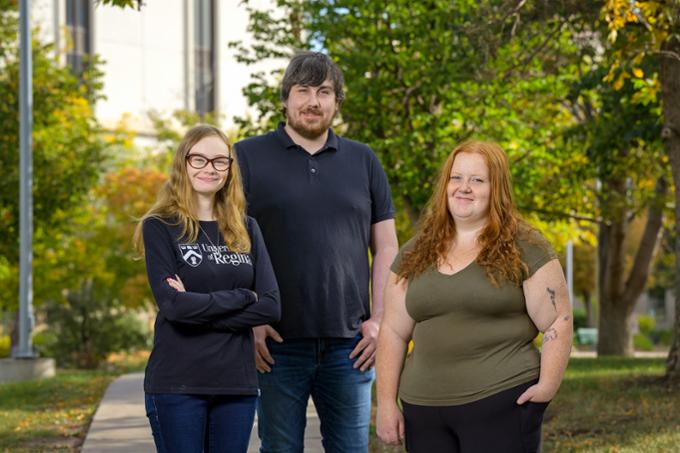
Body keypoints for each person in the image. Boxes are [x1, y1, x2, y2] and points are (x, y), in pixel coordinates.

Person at [235, 51, 399, 452]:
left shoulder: (364, 160)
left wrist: (379, 318)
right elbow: (229, 242)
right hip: (275, 344)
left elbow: (387, 246)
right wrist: (249, 319)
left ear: (337, 101)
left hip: (350, 346)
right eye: (303, 90)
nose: (313, 101)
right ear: (285, 98)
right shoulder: (246, 158)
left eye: (324, 91)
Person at [375, 140, 572, 453]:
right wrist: (386, 403)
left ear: (497, 189)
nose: (464, 188)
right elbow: (393, 331)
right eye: (456, 178)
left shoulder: (525, 245)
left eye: (477, 180)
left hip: (501, 403)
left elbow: (557, 319)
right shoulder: (414, 251)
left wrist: (547, 387)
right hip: (423, 412)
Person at [134, 124, 281, 453]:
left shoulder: (247, 229)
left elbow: (271, 306)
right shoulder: (160, 226)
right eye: (198, 159)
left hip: (236, 384)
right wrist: (243, 297)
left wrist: (197, 308)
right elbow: (173, 307)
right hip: (177, 384)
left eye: (219, 161)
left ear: (230, 169)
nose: (209, 168)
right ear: (183, 164)